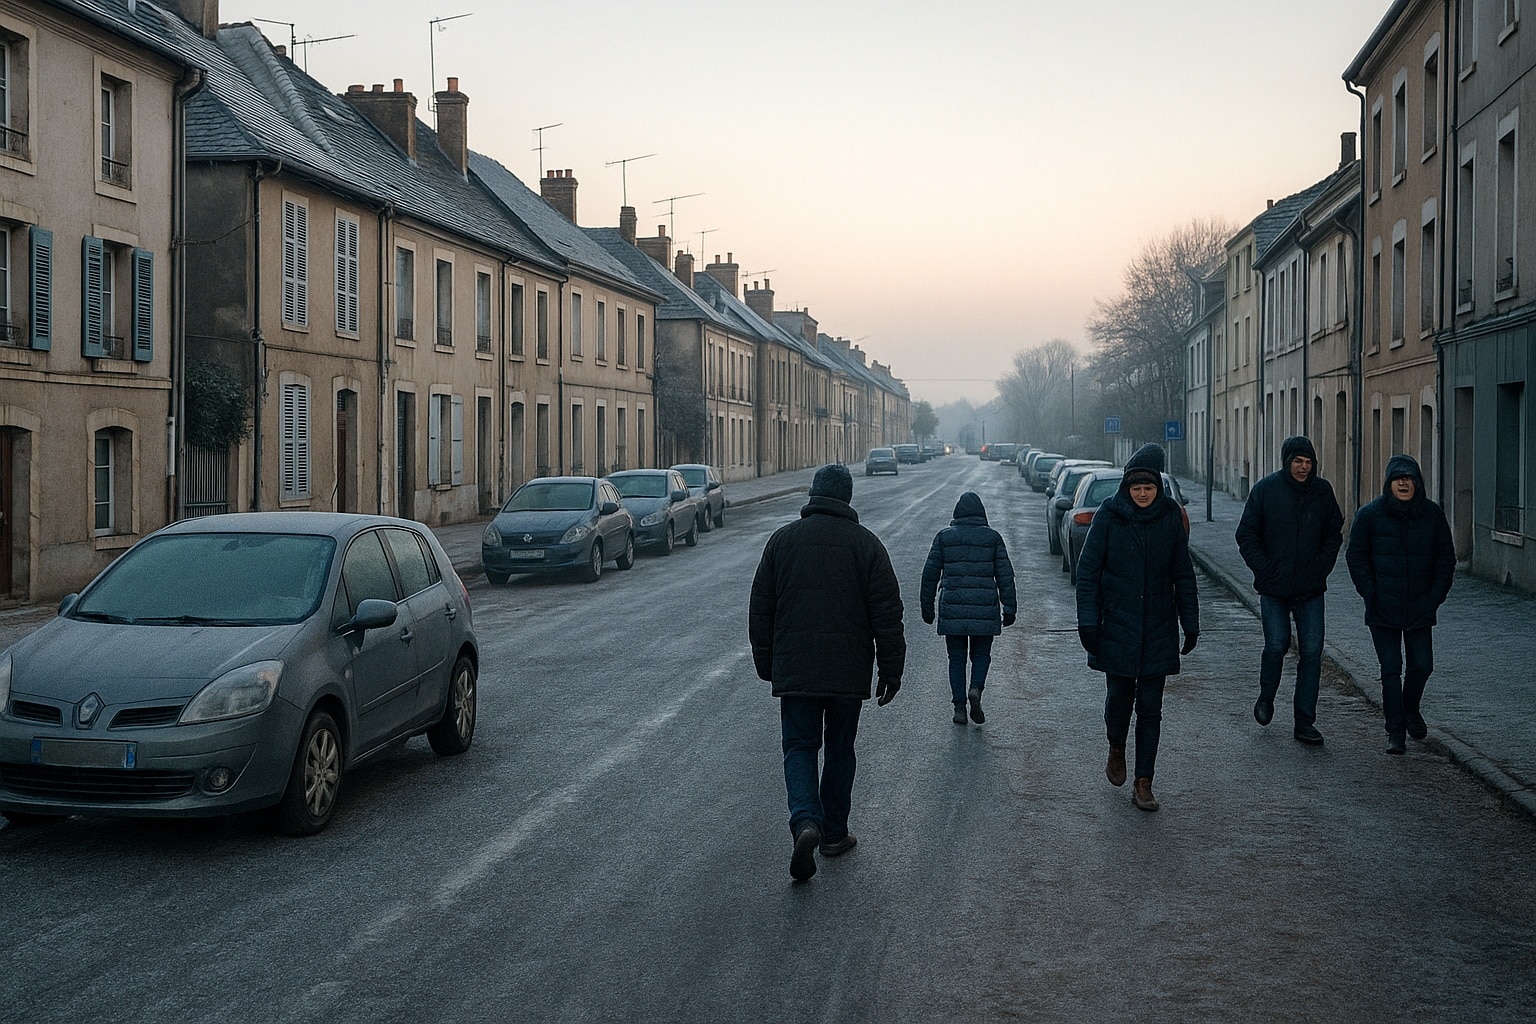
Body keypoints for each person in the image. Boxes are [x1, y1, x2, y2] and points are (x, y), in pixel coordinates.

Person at [749, 463, 906, 881]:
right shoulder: (867, 546)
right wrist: (891, 669)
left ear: (812, 494)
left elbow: (761, 608)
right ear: (848, 499)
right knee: (840, 748)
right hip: (847, 672)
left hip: (796, 670)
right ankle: (835, 833)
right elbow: (887, 615)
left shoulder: (781, 542)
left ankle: (805, 822)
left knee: (799, 747)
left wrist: (766, 661)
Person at [1075, 443, 1198, 812]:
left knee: (1150, 709)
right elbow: (1087, 574)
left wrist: (1189, 622)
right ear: (1127, 488)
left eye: (1149, 488)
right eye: (1136, 488)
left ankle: (1144, 783)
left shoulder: (1170, 518)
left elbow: (1183, 574)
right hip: (1116, 625)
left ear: (1158, 488)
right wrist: (1088, 622)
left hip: (1159, 626)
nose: (1143, 494)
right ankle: (1116, 746)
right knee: (1119, 701)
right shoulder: (1109, 517)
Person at [1236, 436, 1344, 745]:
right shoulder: (1266, 491)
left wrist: (1321, 567)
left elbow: (1333, 534)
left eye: (1308, 462)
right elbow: (1246, 535)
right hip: (1274, 588)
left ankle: (1304, 721)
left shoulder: (1322, 493)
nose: (1303, 468)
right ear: (1287, 462)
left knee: (1312, 652)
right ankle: (1266, 697)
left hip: (1310, 588)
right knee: (1276, 645)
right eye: (1298, 461)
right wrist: (1265, 569)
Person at [1345, 454, 1456, 755]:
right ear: (1389, 483)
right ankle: (1396, 731)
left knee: (1422, 665)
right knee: (1391, 669)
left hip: (1420, 607)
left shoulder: (1432, 515)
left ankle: (1411, 710)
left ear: (1418, 483)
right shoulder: (1369, 516)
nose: (1404, 483)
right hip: (1382, 608)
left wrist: (1434, 598)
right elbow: (1356, 557)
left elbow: (1446, 560)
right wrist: (1371, 592)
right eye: (1398, 479)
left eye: (1409, 478)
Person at [920, 491, 1017, 725]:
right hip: (984, 608)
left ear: (956, 514)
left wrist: (927, 606)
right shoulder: (993, 538)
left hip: (953, 608)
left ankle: (959, 708)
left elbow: (930, 574)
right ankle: (976, 689)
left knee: (956, 658)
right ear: (982, 514)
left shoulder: (944, 538)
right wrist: (1010, 608)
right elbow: (1005, 575)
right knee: (981, 654)